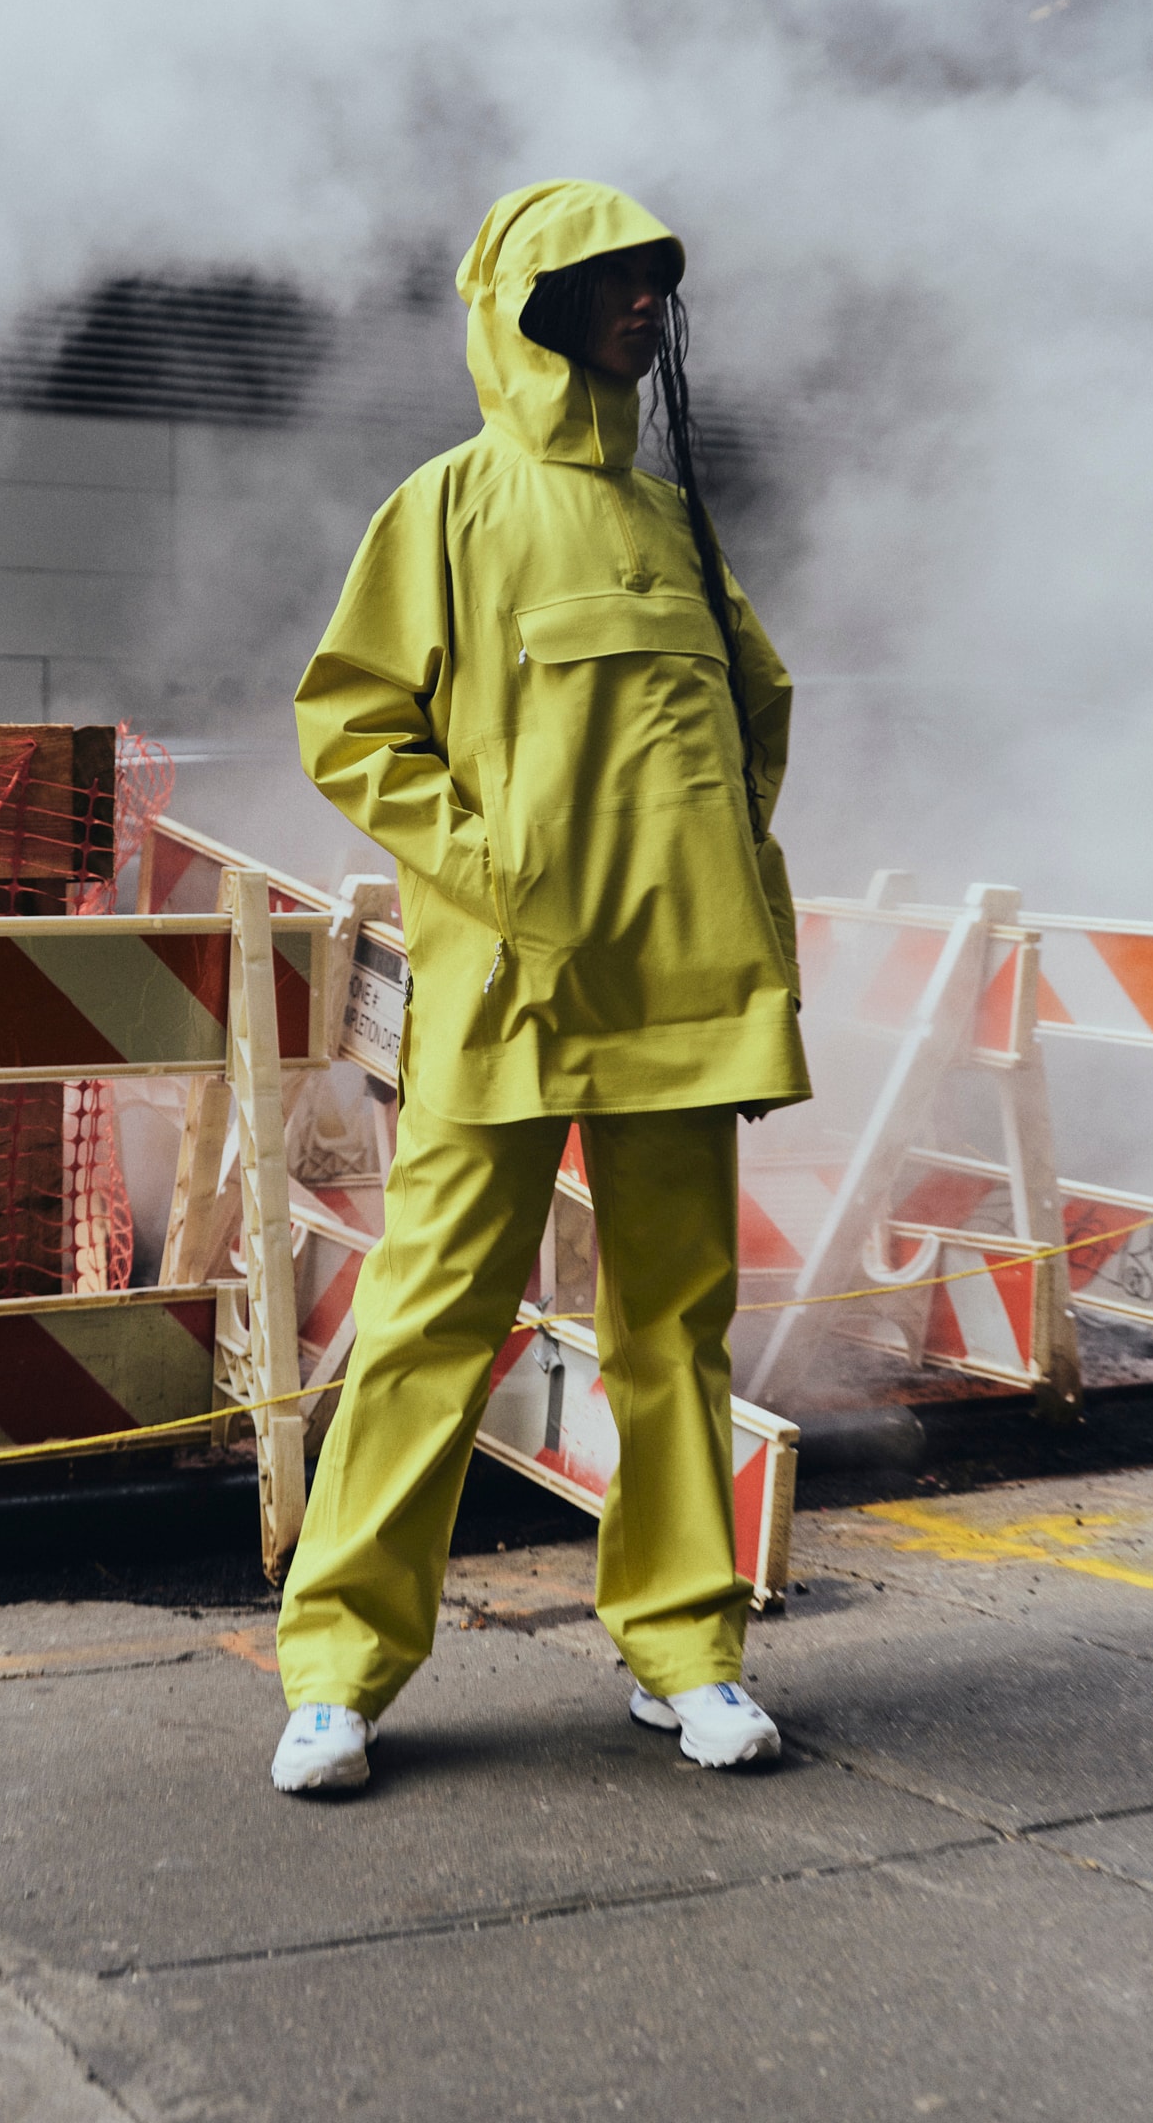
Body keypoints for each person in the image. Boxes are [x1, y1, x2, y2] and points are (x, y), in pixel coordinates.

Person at [270, 178, 810, 1794]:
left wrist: (693, 868)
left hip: (678, 992)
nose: (647, 301)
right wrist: (508, 879)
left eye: (655, 279)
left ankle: (687, 1652)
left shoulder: (673, 524)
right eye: (610, 279)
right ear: (528, 305)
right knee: (431, 1317)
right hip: (507, 988)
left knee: (676, 1334)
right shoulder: (445, 508)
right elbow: (352, 724)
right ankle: (339, 1676)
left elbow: (751, 715)